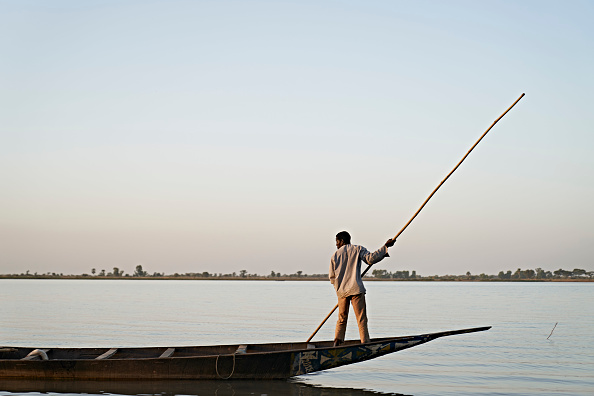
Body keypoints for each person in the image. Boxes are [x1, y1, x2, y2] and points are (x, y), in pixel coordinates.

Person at [329, 231, 395, 346]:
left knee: (341, 319)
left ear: (342, 241)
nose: (336, 244)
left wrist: (339, 288)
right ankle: (365, 343)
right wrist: (385, 247)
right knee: (361, 319)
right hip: (356, 289)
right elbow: (371, 259)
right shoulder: (357, 249)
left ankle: (337, 342)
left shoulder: (335, 255)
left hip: (342, 291)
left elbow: (332, 277)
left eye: (337, 242)